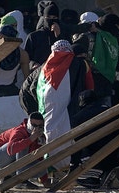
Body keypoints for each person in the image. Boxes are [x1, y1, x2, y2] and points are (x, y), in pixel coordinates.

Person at [30, 40, 93, 171]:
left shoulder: (44, 67)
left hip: (46, 109)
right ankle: (66, 167)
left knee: (49, 134)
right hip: (69, 109)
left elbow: (31, 88)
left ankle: (50, 170)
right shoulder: (78, 63)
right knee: (68, 136)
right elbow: (88, 86)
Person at [70, 90, 119, 189]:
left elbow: (77, 146)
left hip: (97, 158)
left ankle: (90, 178)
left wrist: (73, 168)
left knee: (83, 150)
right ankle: (104, 172)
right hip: (118, 156)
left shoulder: (78, 118)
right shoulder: (111, 111)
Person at [0, 111, 47, 189]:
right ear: (29, 124)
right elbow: (11, 149)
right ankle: (20, 179)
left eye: (40, 126)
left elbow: (38, 156)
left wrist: (44, 180)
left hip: (15, 159)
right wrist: (31, 139)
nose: (37, 128)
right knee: (22, 144)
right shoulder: (19, 131)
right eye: (34, 125)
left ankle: (10, 176)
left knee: (42, 168)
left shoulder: (40, 136)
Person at [25, 1, 66, 70]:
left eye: (54, 17)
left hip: (57, 73)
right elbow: (26, 58)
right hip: (38, 73)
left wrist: (58, 36)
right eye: (49, 17)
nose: (52, 20)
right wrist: (33, 64)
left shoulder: (63, 35)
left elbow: (67, 54)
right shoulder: (34, 36)